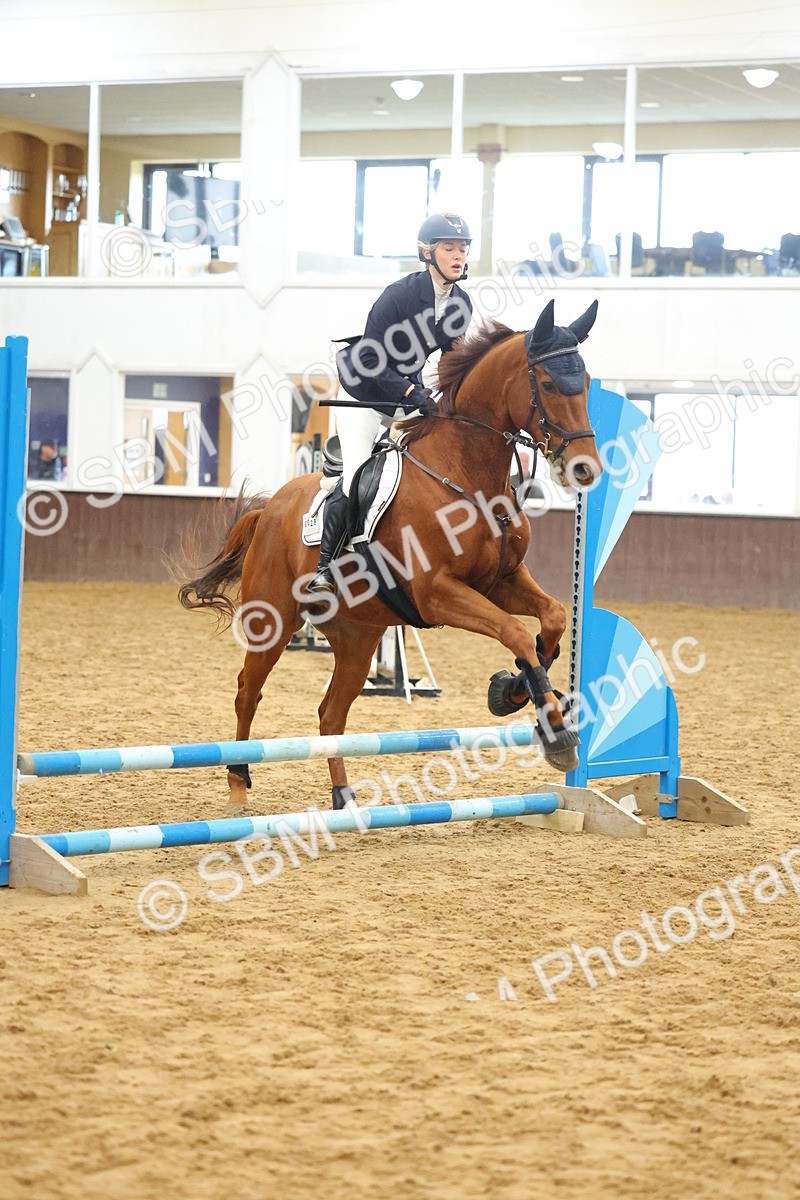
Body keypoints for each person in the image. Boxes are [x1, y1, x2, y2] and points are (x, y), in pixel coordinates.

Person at [308, 212, 474, 593]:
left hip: (405, 397)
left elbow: (451, 360)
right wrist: (410, 394)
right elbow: (369, 361)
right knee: (356, 475)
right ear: (427, 254)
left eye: (462, 249)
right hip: (363, 396)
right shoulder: (398, 295)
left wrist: (452, 400)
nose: (458, 255)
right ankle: (325, 568)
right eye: (449, 248)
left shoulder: (460, 304)